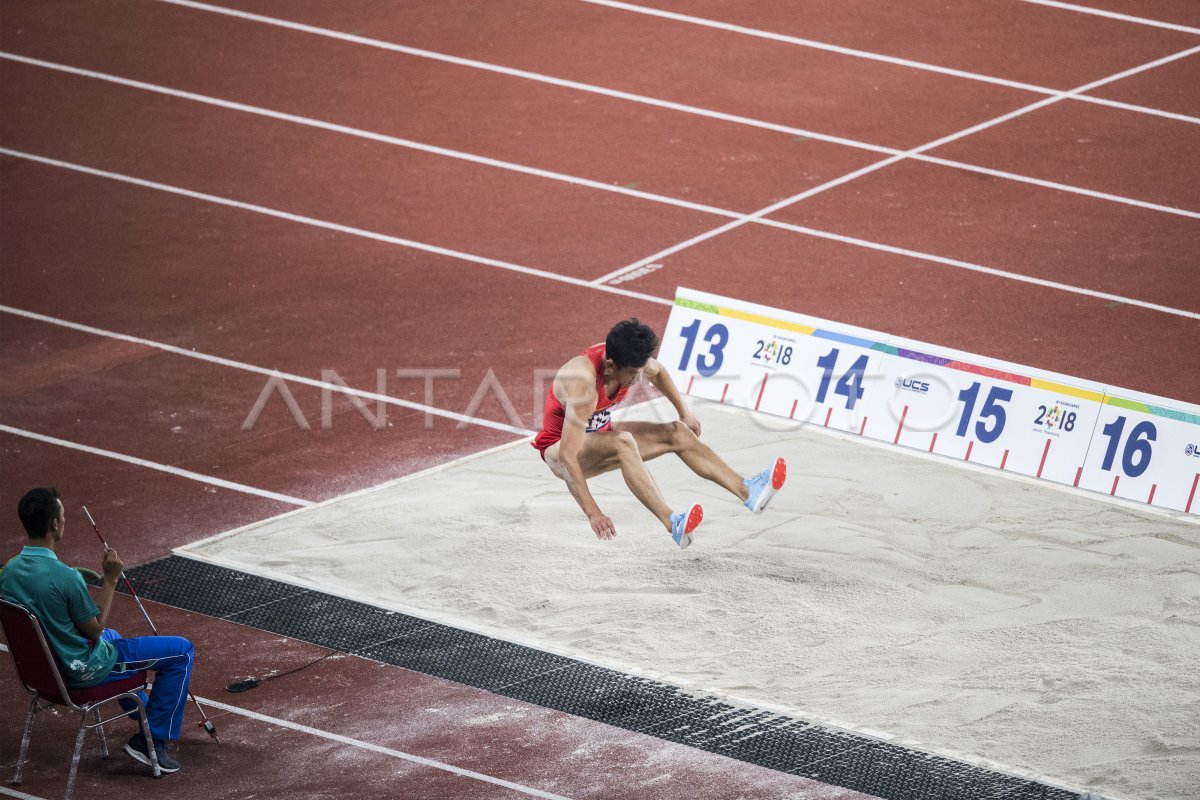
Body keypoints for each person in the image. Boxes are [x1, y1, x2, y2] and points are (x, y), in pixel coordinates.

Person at [533, 318, 786, 548]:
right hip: (560, 450)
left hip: (598, 436)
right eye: (633, 374)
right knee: (623, 442)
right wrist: (593, 512)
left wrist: (683, 411)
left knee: (677, 433)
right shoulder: (583, 383)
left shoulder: (627, 357)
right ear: (611, 366)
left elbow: (659, 372)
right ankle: (672, 522)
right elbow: (568, 455)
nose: (640, 377)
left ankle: (748, 491)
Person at [0, 487, 194, 774]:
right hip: (84, 670)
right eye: (63, 516)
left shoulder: (8, 571)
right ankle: (150, 740)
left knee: (113, 636)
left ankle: (148, 717)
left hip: (43, 673)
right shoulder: (66, 577)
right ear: (54, 524)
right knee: (182, 651)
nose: (64, 521)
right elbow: (94, 630)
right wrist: (111, 579)